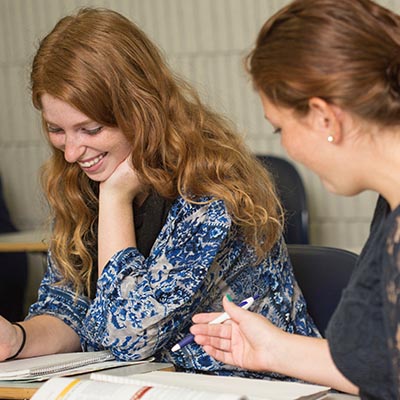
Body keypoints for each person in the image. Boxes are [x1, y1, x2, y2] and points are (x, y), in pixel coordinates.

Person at [0, 7, 319, 377]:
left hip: (257, 387)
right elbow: (69, 306)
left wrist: (115, 198)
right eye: (57, 130)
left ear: (139, 110)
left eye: (90, 130)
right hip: (162, 385)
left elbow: (125, 337)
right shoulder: (79, 180)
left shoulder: (210, 190)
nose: (71, 153)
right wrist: (17, 338)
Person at [190, 0, 400, 396]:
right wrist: (273, 351)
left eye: (279, 129)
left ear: (324, 118)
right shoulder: (389, 206)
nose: (285, 146)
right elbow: (387, 371)